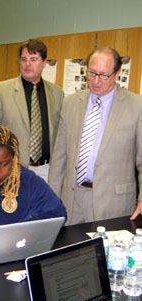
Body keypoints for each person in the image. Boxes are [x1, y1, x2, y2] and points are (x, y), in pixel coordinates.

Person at [49, 46, 142, 225]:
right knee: (70, 251)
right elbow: (59, 157)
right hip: (72, 198)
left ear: (117, 74)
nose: (96, 81)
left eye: (103, 75)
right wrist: (51, 198)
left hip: (114, 202)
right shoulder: (70, 104)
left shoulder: (136, 106)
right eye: (91, 73)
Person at [0, 39, 64, 181]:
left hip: (47, 170)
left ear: (44, 63)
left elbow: (60, 133)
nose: (27, 64)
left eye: (33, 59)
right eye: (24, 59)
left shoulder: (57, 93)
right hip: (12, 169)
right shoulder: (0, 91)